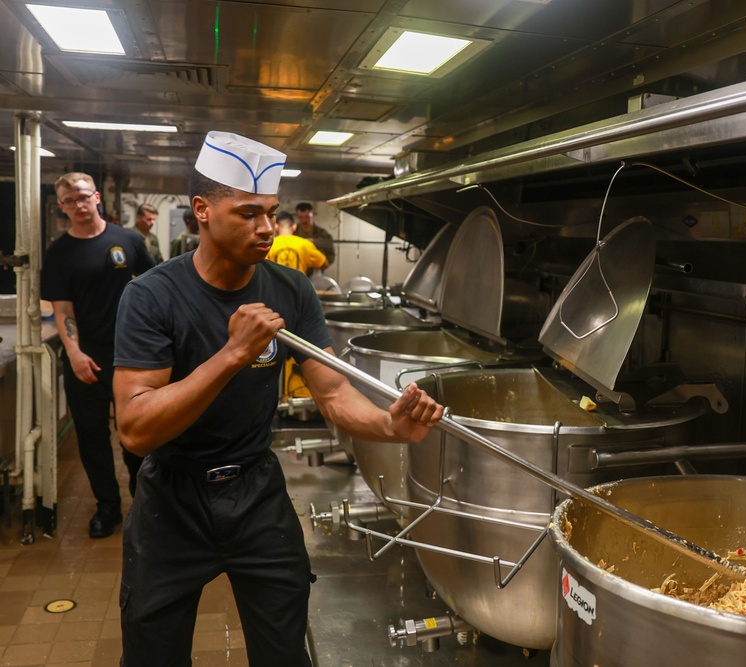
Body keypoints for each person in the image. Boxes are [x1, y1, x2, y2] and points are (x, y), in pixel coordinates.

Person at [112, 131, 444, 666]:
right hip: (174, 499)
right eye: (248, 213)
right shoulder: (152, 296)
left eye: (270, 212)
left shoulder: (291, 289)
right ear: (202, 210)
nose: (266, 227)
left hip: (255, 492)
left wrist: (391, 425)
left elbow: (334, 394)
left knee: (284, 653)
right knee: (154, 654)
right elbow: (135, 427)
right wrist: (231, 354)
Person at [40, 172, 154, 538]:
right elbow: (63, 308)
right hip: (85, 358)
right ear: (62, 208)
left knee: (135, 432)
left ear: (96, 198)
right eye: (70, 201)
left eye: (84, 197)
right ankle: (107, 507)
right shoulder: (58, 254)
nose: (79, 205)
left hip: (132, 356)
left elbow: (155, 288)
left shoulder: (128, 240)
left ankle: (145, 501)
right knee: (91, 437)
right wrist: (73, 353)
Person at [267, 211, 328, 275]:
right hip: (299, 284)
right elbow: (324, 263)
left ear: (276, 226)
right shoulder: (305, 244)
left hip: (275, 284)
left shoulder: (269, 244)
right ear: (294, 227)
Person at [293, 202, 335, 271]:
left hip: (316, 272)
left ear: (313, 215)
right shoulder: (293, 233)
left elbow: (330, 253)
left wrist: (322, 265)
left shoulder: (322, 234)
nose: (304, 221)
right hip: (296, 271)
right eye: (301, 217)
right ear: (297, 216)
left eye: (307, 217)